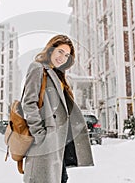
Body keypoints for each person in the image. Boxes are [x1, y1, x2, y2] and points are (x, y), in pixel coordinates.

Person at [22, 35, 94, 183]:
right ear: (51, 49)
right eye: (60, 51)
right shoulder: (38, 68)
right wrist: (41, 135)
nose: (63, 57)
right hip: (46, 143)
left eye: (67, 55)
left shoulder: (58, 74)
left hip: (59, 145)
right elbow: (29, 103)